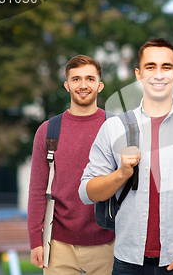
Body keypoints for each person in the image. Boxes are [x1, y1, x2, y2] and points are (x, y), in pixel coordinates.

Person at [78, 38, 173, 274]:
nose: (159, 74)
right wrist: (122, 174)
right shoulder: (114, 128)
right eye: (150, 67)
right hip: (128, 262)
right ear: (138, 74)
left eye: (166, 67)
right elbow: (87, 192)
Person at [28, 55, 114, 274]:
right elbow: (37, 189)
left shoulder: (116, 127)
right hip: (58, 244)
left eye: (89, 79)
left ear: (99, 85)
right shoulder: (48, 131)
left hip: (108, 242)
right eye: (76, 79)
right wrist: (35, 239)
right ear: (67, 85)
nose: (83, 85)